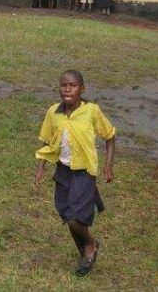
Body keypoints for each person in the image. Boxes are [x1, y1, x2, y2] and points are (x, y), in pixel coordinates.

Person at [34, 70, 116, 278]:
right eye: (63, 85)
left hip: (84, 172)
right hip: (63, 170)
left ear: (82, 88)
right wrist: (42, 166)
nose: (67, 89)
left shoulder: (92, 111)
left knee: (75, 219)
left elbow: (110, 136)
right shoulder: (54, 112)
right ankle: (85, 249)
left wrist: (108, 165)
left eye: (73, 85)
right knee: (65, 213)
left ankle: (89, 245)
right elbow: (46, 139)